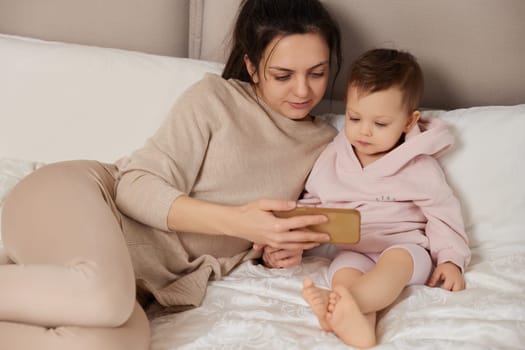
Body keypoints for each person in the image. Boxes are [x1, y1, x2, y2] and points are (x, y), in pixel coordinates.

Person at [0, 1, 342, 349]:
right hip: (75, 198)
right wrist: (240, 222)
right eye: (283, 75)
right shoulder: (216, 99)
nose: (302, 91)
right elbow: (133, 186)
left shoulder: (327, 145)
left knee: (116, 344)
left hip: (123, 285)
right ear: (253, 67)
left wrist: (273, 251)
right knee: (103, 295)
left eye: (317, 73)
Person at [300, 48, 471, 348]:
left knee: (394, 265)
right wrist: (290, 235)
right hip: (355, 250)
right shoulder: (333, 157)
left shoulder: (419, 166)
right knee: (343, 273)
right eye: (354, 118)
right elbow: (313, 203)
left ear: (408, 122)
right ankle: (358, 327)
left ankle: (338, 305)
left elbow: (443, 214)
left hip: (406, 249)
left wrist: (451, 261)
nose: (364, 132)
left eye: (380, 124)